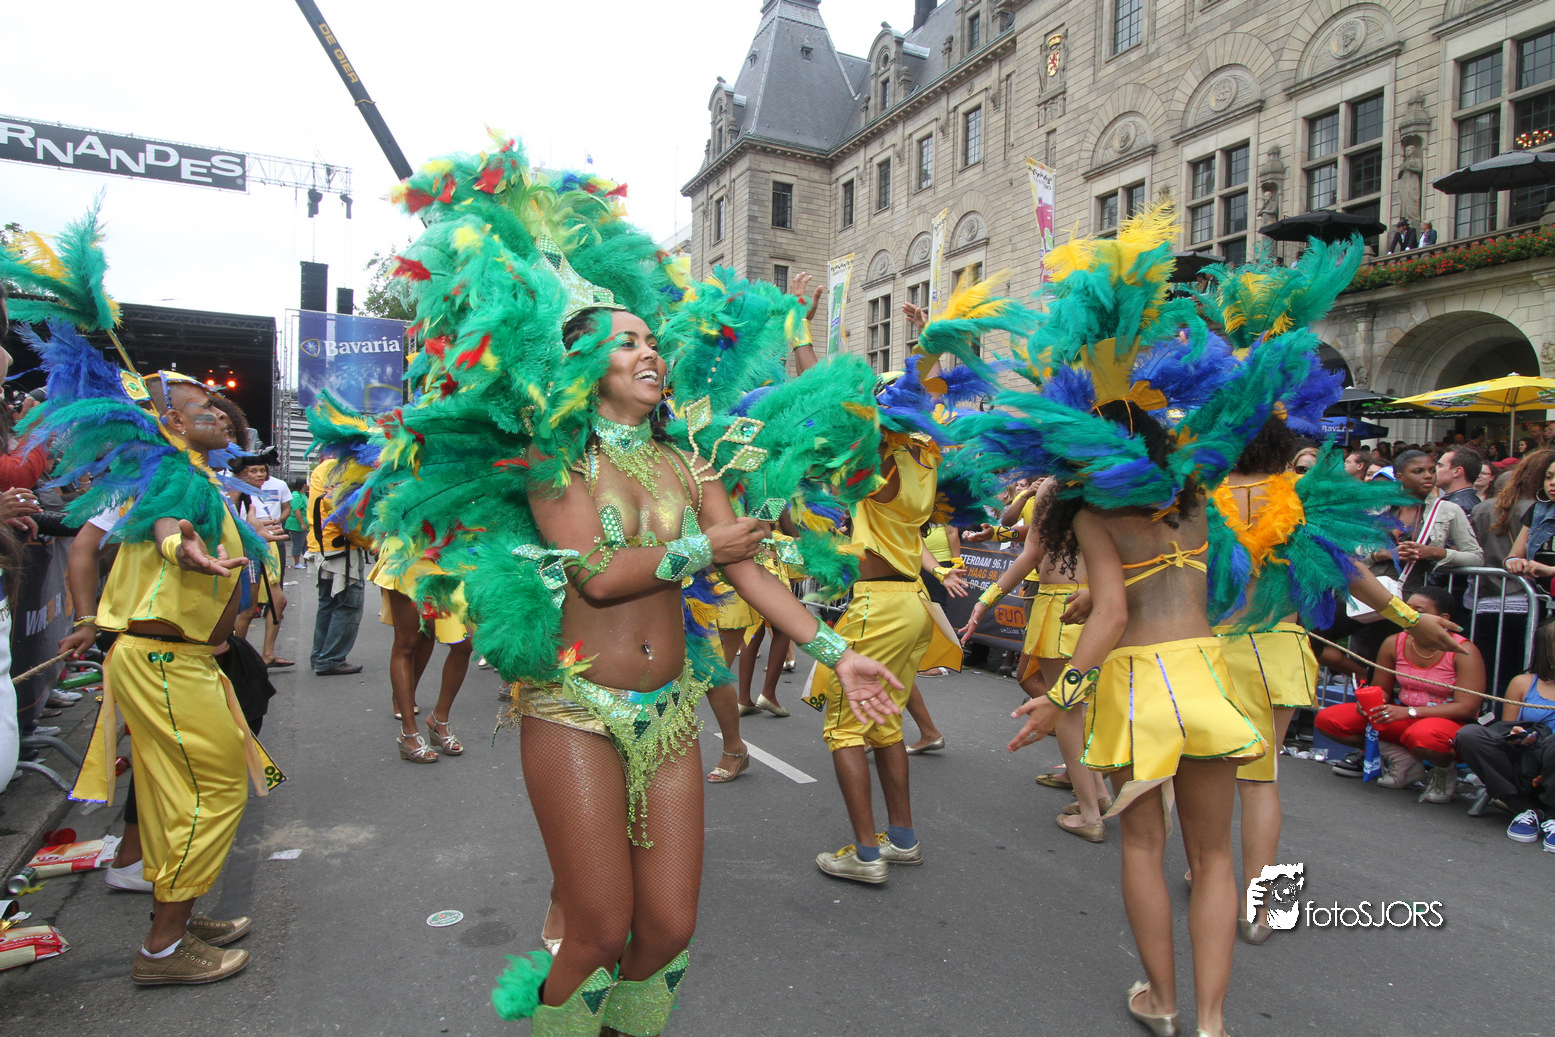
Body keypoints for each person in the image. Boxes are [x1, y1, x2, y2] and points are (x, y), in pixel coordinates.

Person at [371, 145, 904, 1036]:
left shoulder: (689, 460)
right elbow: (596, 571)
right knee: (597, 932)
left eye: (652, 340)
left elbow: (745, 567)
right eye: (627, 341)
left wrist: (836, 651)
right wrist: (701, 545)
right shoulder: (553, 457)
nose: (649, 350)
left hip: (669, 709)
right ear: (582, 361)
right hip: (573, 706)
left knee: (668, 927)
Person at [40, 350, 285, 986]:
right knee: (214, 790)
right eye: (203, 408)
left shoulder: (195, 475)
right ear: (170, 423)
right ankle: (162, 949)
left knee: (171, 793)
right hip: (163, 661)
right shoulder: (168, 474)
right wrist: (182, 549)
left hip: (178, 659)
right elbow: (168, 527)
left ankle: (178, 918)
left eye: (220, 407)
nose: (220, 414)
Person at [960, 478, 1110, 841]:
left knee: (1069, 711)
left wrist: (986, 600)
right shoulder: (1118, 475)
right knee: (1088, 706)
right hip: (1103, 604)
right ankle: (1099, 794)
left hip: (1061, 607)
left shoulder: (1055, 484)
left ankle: (1090, 813)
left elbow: (1032, 552)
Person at [1314, 587, 1482, 800]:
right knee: (1329, 720)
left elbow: (1467, 707)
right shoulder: (1394, 642)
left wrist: (1410, 712)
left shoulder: (1464, 650)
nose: (1408, 615)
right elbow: (1382, 688)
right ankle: (1403, 760)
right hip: (1405, 716)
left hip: (1448, 723)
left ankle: (1444, 772)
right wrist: (1373, 702)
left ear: (1443, 619)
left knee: (1422, 735)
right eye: (1406, 608)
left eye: (1418, 611)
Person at [1454, 619, 1555, 848]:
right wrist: (1519, 736)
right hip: (1527, 762)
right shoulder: (1523, 683)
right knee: (1470, 735)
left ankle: (1552, 814)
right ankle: (1524, 809)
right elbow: (1508, 730)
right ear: (1546, 650)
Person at [307, 457, 366, 676]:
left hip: (322, 545)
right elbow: (343, 512)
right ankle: (330, 659)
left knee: (328, 605)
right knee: (347, 605)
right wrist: (369, 542)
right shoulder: (342, 468)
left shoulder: (323, 468)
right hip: (340, 548)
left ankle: (320, 656)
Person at [230, 458, 290, 667]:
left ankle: (268, 655)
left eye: (262, 470)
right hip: (248, 550)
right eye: (253, 471)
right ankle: (235, 658)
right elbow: (230, 522)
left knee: (278, 602)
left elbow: (286, 508)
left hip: (268, 547)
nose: (259, 475)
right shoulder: (234, 492)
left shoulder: (273, 487)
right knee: (248, 607)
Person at [1434, 446, 1484, 512]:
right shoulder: (1467, 501)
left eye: (1440, 466)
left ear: (1457, 471)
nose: (1434, 469)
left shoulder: (1459, 506)